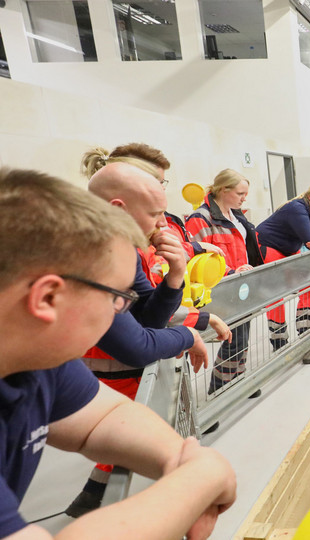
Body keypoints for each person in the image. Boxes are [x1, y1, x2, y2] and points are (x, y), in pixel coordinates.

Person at [0, 168, 236, 540]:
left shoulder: (41, 362)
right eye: (118, 297)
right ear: (47, 298)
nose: (119, 311)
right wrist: (200, 479)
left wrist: (180, 456)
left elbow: (103, 418)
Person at [69, 161, 221, 517]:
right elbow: (136, 347)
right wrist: (185, 334)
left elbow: (146, 319)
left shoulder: (123, 248)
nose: (162, 224)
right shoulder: (92, 253)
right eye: (155, 213)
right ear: (118, 209)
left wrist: (176, 276)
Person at [186, 169, 265, 394]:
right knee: (235, 336)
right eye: (240, 193)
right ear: (223, 190)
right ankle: (218, 389)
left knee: (243, 333)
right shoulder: (200, 219)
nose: (244, 198)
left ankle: (238, 378)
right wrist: (231, 272)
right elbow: (198, 258)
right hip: (220, 287)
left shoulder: (236, 215)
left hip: (241, 283)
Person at [82, 144, 225, 259]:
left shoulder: (170, 220)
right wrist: (193, 249)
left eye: (163, 182)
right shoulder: (104, 243)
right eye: (156, 182)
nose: (161, 188)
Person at [257, 182, 310, 350]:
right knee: (275, 291)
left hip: (289, 248)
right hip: (268, 245)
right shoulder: (296, 208)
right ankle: (278, 339)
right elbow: (309, 239)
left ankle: (306, 329)